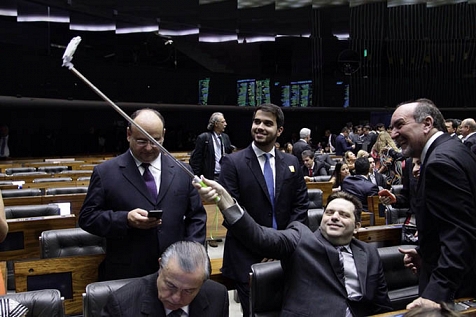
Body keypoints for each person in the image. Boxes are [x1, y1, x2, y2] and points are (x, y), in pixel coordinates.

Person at [194, 178, 392, 317]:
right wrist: (224, 200)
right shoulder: (300, 237)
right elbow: (258, 236)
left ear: (357, 226)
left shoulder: (369, 253)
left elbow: (381, 303)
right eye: (329, 212)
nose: (334, 217)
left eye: (343, 215)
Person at [79, 108, 207, 281]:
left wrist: (191, 255)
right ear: (128, 134)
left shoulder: (182, 170)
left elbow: (197, 217)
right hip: (127, 272)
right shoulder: (105, 172)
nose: (148, 148)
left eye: (155, 140)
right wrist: (125, 219)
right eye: (141, 141)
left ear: (164, 135)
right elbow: (87, 217)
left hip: (176, 271)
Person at [218, 103, 309, 317]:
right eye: (256, 121)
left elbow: (300, 206)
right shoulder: (232, 163)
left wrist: (282, 245)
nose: (260, 127)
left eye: (268, 123)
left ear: (279, 131)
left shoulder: (291, 162)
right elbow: (233, 213)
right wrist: (268, 247)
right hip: (248, 257)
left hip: (287, 254)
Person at [390, 98, 476, 310]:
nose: (393, 134)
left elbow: (460, 233)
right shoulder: (455, 148)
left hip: (456, 289)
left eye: (399, 125)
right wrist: (427, 253)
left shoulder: (439, 162)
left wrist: (437, 292)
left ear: (427, 124)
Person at [102, 241, 229, 317]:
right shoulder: (122, 305)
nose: (176, 298)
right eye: (171, 286)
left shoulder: (217, 296)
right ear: (160, 266)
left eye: (188, 291)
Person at [189, 112, 233, 181]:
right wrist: (197, 178)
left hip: (223, 176)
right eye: (223, 122)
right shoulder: (204, 138)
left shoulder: (225, 138)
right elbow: (196, 161)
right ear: (216, 124)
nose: (225, 124)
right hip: (209, 178)